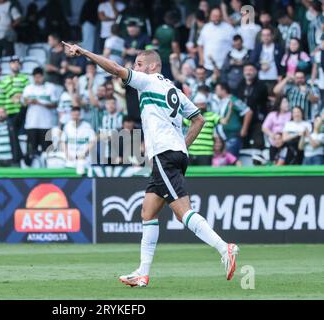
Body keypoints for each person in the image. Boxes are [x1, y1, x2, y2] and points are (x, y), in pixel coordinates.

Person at [62, 41, 239, 287]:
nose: (135, 68)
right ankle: (143, 273)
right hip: (172, 153)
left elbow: (114, 68)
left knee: (183, 214)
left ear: (154, 66)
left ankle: (225, 248)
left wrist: (83, 52)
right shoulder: (175, 91)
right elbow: (198, 120)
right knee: (148, 212)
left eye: (139, 64)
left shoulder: (148, 80)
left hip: (165, 155)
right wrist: (183, 145)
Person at [22, 67, 58, 165]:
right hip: (31, 124)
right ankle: (31, 171)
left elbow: (54, 104)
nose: (37, 79)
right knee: (31, 151)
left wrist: (39, 102)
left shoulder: (50, 88)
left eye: (39, 77)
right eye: (35, 77)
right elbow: (23, 103)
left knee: (47, 152)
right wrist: (27, 101)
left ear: (43, 77)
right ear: (33, 77)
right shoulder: (28, 88)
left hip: (46, 124)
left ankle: (49, 170)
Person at [183, 93, 231, 166]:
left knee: (204, 176)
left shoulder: (212, 115)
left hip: (206, 153)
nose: (200, 107)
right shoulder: (191, 117)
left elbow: (224, 121)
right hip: (191, 152)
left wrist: (230, 109)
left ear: (205, 105)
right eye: (198, 105)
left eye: (202, 104)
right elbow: (179, 122)